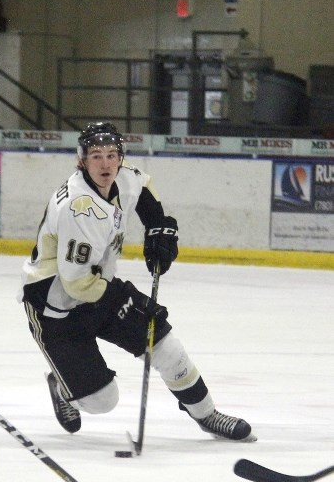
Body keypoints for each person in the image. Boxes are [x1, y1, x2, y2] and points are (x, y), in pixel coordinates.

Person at [18, 122, 255, 442]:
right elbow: (75, 284)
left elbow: (142, 187)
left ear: (121, 157)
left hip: (95, 286)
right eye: (96, 156)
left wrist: (158, 225)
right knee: (103, 401)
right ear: (81, 161)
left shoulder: (123, 175)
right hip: (55, 306)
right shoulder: (79, 208)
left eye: (112, 155)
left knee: (166, 347)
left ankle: (207, 414)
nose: (105, 164)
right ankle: (63, 387)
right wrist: (124, 294)